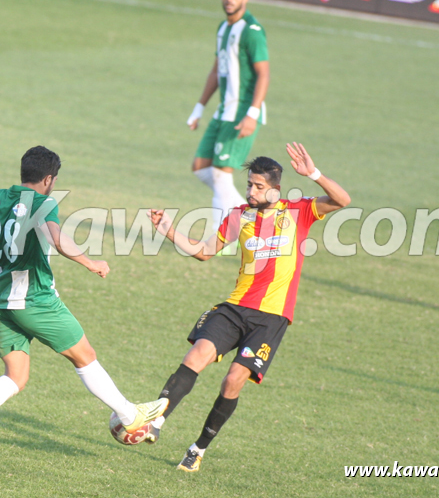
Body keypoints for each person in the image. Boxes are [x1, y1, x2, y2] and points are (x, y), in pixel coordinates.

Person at [0, 146, 168, 457]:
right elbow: (56, 238)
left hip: (0, 303)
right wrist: (90, 262)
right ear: (49, 179)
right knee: (85, 357)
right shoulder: (44, 202)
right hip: (35, 300)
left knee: (15, 377)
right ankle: (129, 415)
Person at [145, 143, 350, 472]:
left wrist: (313, 174)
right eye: (249, 185)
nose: (251, 191)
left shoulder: (299, 211)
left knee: (232, 382)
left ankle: (198, 449)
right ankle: (154, 423)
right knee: (196, 355)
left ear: (275, 189)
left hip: (271, 318)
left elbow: (343, 201)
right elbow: (203, 252)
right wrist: (167, 230)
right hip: (236, 307)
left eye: (258, 186)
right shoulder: (240, 216)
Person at [187, 0, 270, 231]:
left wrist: (252, 113)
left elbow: (263, 74)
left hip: (243, 111)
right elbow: (216, 71)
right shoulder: (223, 28)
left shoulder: (251, 31)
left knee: (222, 174)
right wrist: (199, 107)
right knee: (201, 167)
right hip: (224, 111)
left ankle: (221, 236)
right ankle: (252, 219)